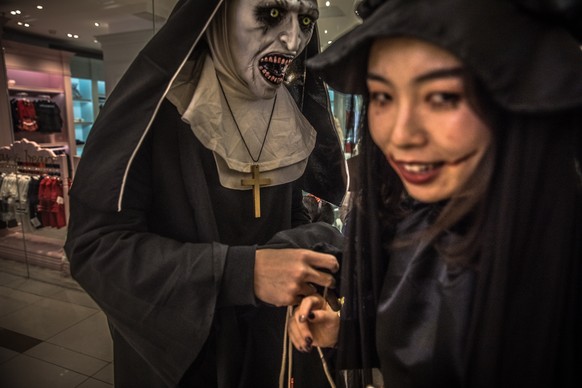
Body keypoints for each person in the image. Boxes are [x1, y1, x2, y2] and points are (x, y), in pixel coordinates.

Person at [289, 0, 582, 386]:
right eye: (382, 97)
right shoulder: (419, 216)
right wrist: (346, 333)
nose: (400, 135)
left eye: (442, 97)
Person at [64, 0, 346, 387]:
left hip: (272, 348)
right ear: (217, 13)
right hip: (187, 354)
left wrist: (305, 280)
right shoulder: (155, 115)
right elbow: (96, 249)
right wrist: (242, 272)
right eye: (273, 14)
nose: (294, 39)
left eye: (307, 20)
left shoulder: (288, 116)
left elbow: (289, 213)